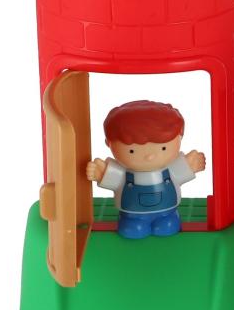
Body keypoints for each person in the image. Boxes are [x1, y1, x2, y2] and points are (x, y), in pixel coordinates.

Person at [85, 100, 206, 239]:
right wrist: (101, 173)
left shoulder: (171, 170)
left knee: (167, 226)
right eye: (132, 151)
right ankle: (133, 223)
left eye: (163, 148)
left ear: (180, 138)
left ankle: (166, 220)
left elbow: (184, 168)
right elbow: (110, 176)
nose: (149, 156)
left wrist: (190, 164)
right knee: (132, 229)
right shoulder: (123, 174)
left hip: (167, 213)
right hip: (131, 215)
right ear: (109, 143)